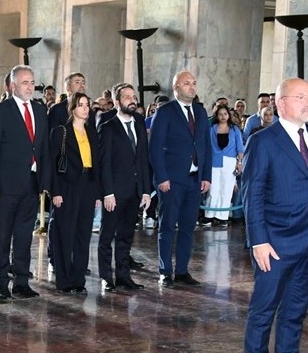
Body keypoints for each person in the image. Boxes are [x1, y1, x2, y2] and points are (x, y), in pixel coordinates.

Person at [242, 78, 308, 353]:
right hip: (274, 245)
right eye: (301, 97)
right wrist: (258, 241)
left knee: (295, 312)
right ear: (281, 103)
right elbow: (253, 196)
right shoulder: (263, 141)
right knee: (263, 312)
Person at [0, 64, 51, 301]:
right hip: (5, 187)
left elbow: (43, 149)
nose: (30, 86)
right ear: (13, 85)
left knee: (24, 236)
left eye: (32, 82)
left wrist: (45, 181)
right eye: (25, 82)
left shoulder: (40, 111)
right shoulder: (0, 111)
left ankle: (22, 282)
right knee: (2, 236)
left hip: (31, 185)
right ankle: (1, 282)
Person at [148, 71, 212, 288]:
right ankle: (165, 271)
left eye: (194, 83)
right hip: (172, 180)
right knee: (167, 226)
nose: (192, 87)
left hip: (195, 180)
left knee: (188, 227)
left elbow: (205, 146)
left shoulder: (201, 112)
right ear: (176, 88)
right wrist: (162, 178)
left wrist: (207, 176)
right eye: (187, 83)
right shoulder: (165, 112)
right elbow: (155, 148)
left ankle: (182, 270)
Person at [97, 83, 151, 292]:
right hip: (115, 192)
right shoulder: (108, 126)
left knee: (126, 236)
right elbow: (104, 163)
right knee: (107, 235)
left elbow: (143, 158)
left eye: (134, 96)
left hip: (135, 191)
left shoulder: (138, 122)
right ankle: (106, 277)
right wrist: (107, 192)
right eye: (127, 97)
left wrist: (146, 190)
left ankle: (123, 276)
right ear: (117, 102)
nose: (132, 100)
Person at [46, 92, 100, 294]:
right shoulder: (61, 132)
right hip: (67, 187)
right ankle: (64, 279)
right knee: (64, 234)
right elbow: (52, 165)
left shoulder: (91, 132)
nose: (85, 108)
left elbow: (97, 164)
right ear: (72, 108)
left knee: (82, 234)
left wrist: (96, 193)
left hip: (87, 185)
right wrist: (56, 192)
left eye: (88, 104)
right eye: (81, 105)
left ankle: (78, 279)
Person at [202, 105, 244, 227]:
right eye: (220, 114)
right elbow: (207, 146)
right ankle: (209, 215)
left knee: (226, 189)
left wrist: (239, 162)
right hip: (214, 161)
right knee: (213, 189)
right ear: (217, 116)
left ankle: (222, 217)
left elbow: (240, 148)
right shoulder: (212, 129)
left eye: (225, 114)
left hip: (230, 162)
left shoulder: (235, 130)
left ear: (228, 115)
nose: (223, 116)